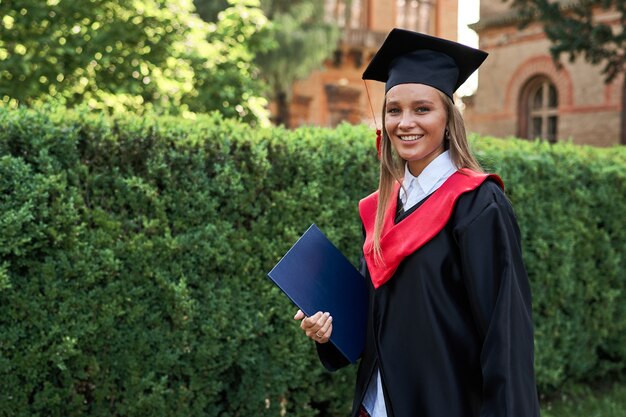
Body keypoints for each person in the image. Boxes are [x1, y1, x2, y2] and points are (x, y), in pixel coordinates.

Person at [293, 28, 541, 417]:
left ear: (448, 118)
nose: (405, 123)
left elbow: (505, 337)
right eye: (394, 110)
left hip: (446, 402)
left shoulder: (478, 204)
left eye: (422, 109)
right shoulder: (379, 208)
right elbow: (372, 323)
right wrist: (328, 331)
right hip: (375, 405)